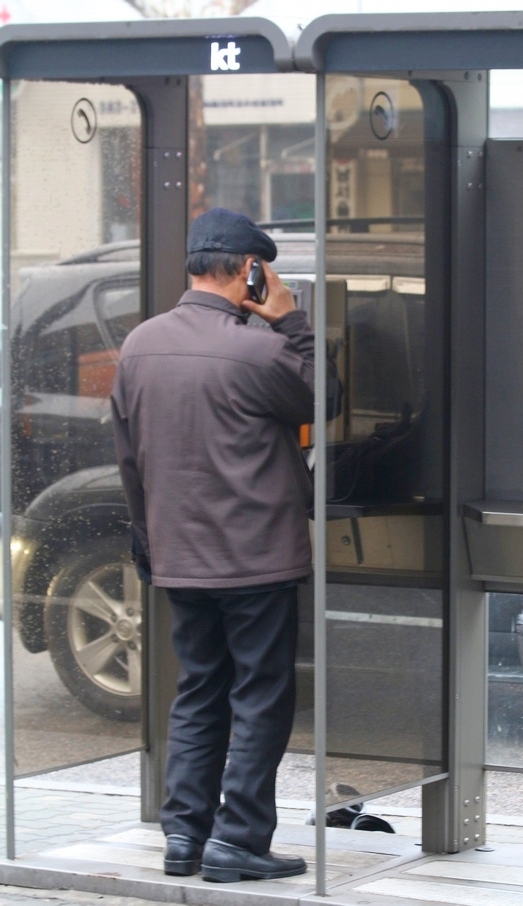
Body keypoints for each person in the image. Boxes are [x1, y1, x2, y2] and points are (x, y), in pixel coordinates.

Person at [111, 207, 341, 884]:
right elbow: (321, 399)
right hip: (257, 557)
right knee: (261, 695)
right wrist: (292, 319)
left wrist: (148, 540)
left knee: (199, 690)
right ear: (252, 270)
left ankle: (186, 836)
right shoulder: (263, 349)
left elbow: (129, 461)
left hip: (180, 554)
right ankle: (238, 838)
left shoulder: (139, 347)